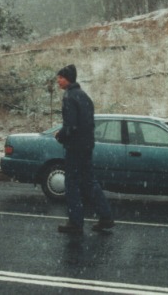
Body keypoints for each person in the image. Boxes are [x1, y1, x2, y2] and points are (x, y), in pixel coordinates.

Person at [54, 64, 114, 235]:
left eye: (61, 78)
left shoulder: (69, 97)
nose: (58, 81)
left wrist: (61, 135)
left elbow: (71, 126)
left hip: (75, 147)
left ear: (68, 79)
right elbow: (86, 124)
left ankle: (75, 222)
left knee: (71, 183)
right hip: (87, 145)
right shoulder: (84, 96)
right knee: (89, 182)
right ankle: (106, 217)